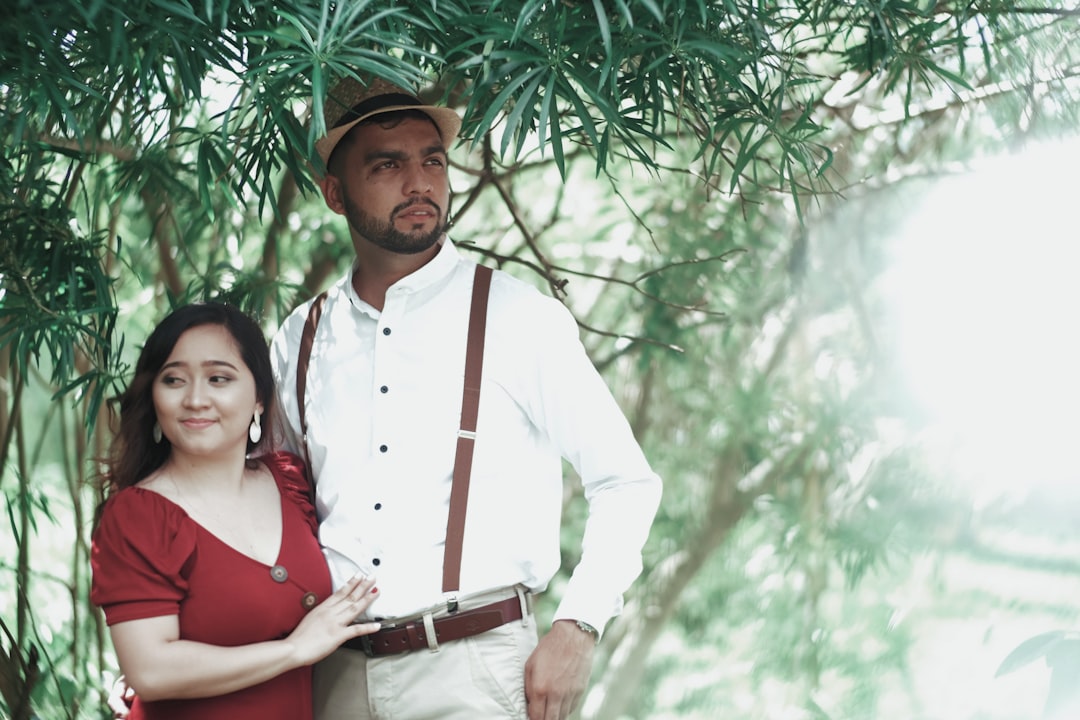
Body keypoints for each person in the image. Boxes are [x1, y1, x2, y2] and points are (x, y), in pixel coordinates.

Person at [269, 76, 663, 719]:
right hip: (332, 677)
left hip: (475, 671)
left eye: (432, 160)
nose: (419, 182)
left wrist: (580, 626)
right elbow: (270, 506)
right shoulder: (301, 338)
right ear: (335, 194)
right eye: (388, 164)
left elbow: (626, 482)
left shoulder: (515, 315)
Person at [90, 302, 383, 720]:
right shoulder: (138, 517)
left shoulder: (289, 483)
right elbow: (151, 670)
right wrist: (293, 650)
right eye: (173, 380)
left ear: (259, 398)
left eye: (218, 379)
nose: (195, 399)